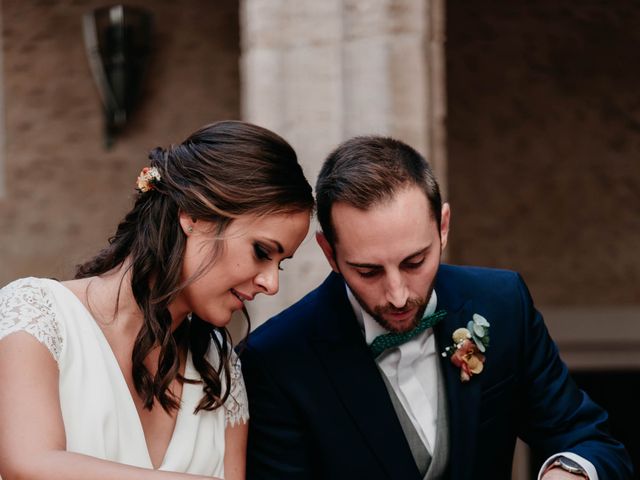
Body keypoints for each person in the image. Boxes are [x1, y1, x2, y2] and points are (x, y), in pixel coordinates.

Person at [240, 135, 634, 479]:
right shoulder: (277, 359)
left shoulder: (502, 303)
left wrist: (569, 473)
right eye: (368, 271)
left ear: (442, 226)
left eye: (414, 262)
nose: (397, 294)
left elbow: (589, 439)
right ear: (329, 252)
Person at [0, 120, 314, 480]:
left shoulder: (219, 367)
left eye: (281, 264)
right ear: (195, 217)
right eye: (261, 251)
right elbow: (28, 464)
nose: (270, 283)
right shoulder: (37, 315)